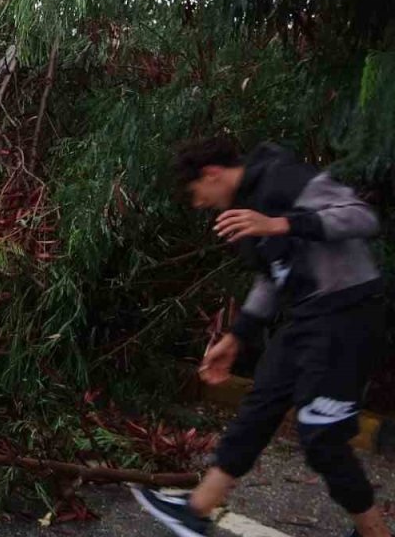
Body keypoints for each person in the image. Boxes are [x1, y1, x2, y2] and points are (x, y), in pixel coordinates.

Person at [132, 137, 389, 537]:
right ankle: (196, 510)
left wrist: (282, 222)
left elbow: (362, 217)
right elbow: (271, 278)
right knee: (259, 406)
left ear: (212, 174)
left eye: (196, 195)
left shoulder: (282, 178)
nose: (199, 204)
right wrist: (236, 337)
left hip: (347, 312)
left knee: (322, 438)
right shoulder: (244, 213)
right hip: (305, 316)